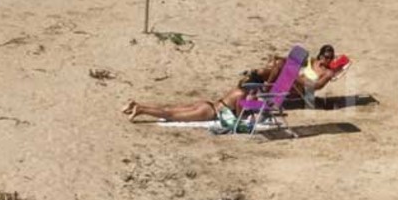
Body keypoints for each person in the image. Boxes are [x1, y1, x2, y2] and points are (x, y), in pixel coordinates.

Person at [122, 44, 341, 122]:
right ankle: (139, 108)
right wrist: (256, 107)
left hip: (211, 105)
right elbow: (241, 108)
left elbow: (242, 102)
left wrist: (256, 100)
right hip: (212, 112)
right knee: (170, 114)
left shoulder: (240, 89)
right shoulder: (244, 95)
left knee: (170, 111)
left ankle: (137, 106)